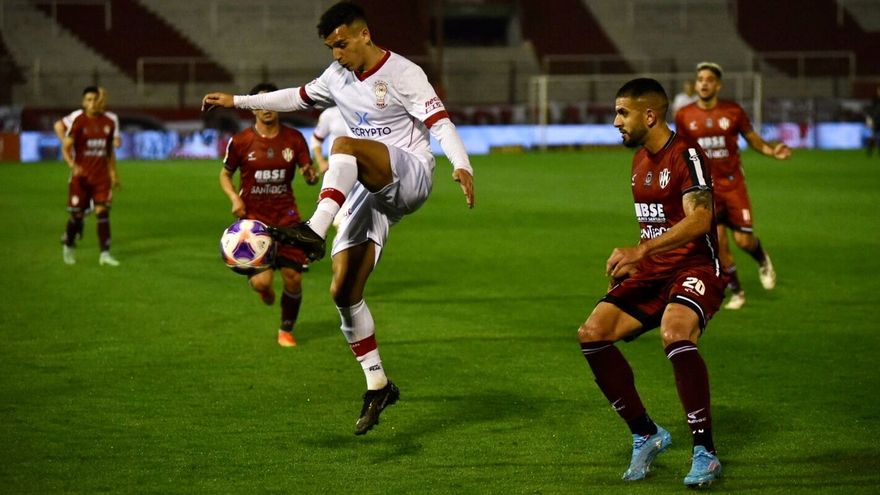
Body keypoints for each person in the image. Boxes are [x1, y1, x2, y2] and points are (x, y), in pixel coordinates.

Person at [202, 1, 475, 436]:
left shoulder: (404, 73)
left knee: (345, 144)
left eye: (342, 44)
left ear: (364, 35)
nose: (337, 54)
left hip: (410, 173)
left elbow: (439, 123)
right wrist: (237, 100)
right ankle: (378, 384)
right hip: (366, 189)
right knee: (343, 292)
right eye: (331, 47)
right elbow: (295, 97)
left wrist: (463, 164)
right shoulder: (337, 76)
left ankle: (313, 228)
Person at [578, 78, 724, 487]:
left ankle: (705, 452)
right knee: (592, 334)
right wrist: (637, 260)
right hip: (652, 273)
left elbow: (699, 219)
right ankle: (646, 433)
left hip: (695, 269)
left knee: (674, 332)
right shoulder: (640, 160)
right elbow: (654, 224)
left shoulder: (687, 155)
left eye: (622, 112)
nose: (615, 121)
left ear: (650, 115)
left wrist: (641, 251)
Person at [675, 62, 790, 310]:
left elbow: (752, 138)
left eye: (708, 79)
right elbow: (681, 150)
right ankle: (737, 291)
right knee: (719, 242)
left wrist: (772, 151)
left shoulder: (733, 111)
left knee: (743, 241)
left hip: (733, 185)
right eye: (700, 79)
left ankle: (762, 259)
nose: (703, 83)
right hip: (706, 190)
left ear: (718, 85)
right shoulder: (684, 115)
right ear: (696, 85)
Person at [220, 82, 319, 348]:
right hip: (253, 221)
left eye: (271, 103)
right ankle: (265, 290)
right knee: (262, 283)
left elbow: (307, 172)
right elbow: (225, 174)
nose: (266, 109)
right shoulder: (241, 141)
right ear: (252, 109)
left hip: (287, 218)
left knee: (293, 277)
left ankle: (286, 329)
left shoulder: (295, 139)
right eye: (260, 104)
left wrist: (310, 175)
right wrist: (234, 198)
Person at [60, 86, 120, 266]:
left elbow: (109, 152)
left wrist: (114, 174)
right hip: (81, 179)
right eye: (89, 100)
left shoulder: (108, 123)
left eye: (95, 99)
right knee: (77, 216)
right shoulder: (79, 122)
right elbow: (66, 147)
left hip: (101, 178)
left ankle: (105, 254)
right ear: (83, 102)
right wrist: (72, 164)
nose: (92, 103)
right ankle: (69, 244)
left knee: (102, 212)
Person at [310, 105, 348, 174]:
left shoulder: (366, 111)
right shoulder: (330, 114)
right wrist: (321, 162)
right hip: (336, 170)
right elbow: (316, 139)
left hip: (364, 169)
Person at [865, 85, 880, 157]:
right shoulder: (875, 100)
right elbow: (871, 111)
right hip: (876, 120)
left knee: (874, 136)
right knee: (874, 136)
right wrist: (869, 120)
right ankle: (870, 151)